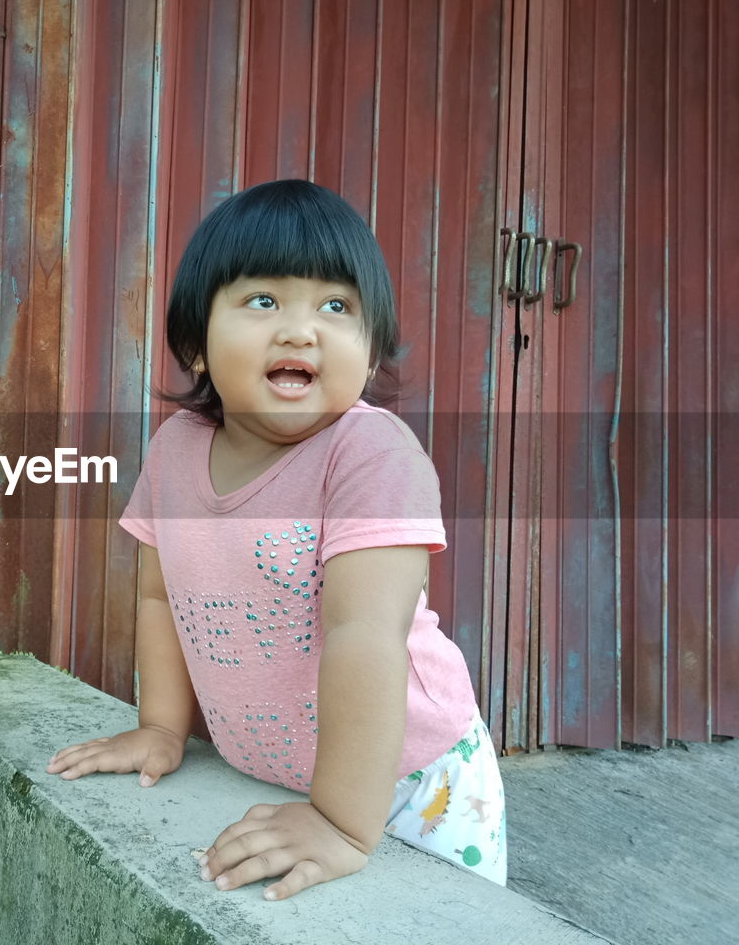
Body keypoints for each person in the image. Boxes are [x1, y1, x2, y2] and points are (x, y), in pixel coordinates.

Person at [45, 179, 506, 898]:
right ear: (196, 344)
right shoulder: (175, 450)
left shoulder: (373, 456)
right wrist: (163, 729)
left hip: (411, 782)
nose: (301, 329)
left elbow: (365, 635)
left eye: (336, 306)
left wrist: (344, 823)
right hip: (271, 772)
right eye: (264, 301)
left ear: (371, 345)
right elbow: (162, 597)